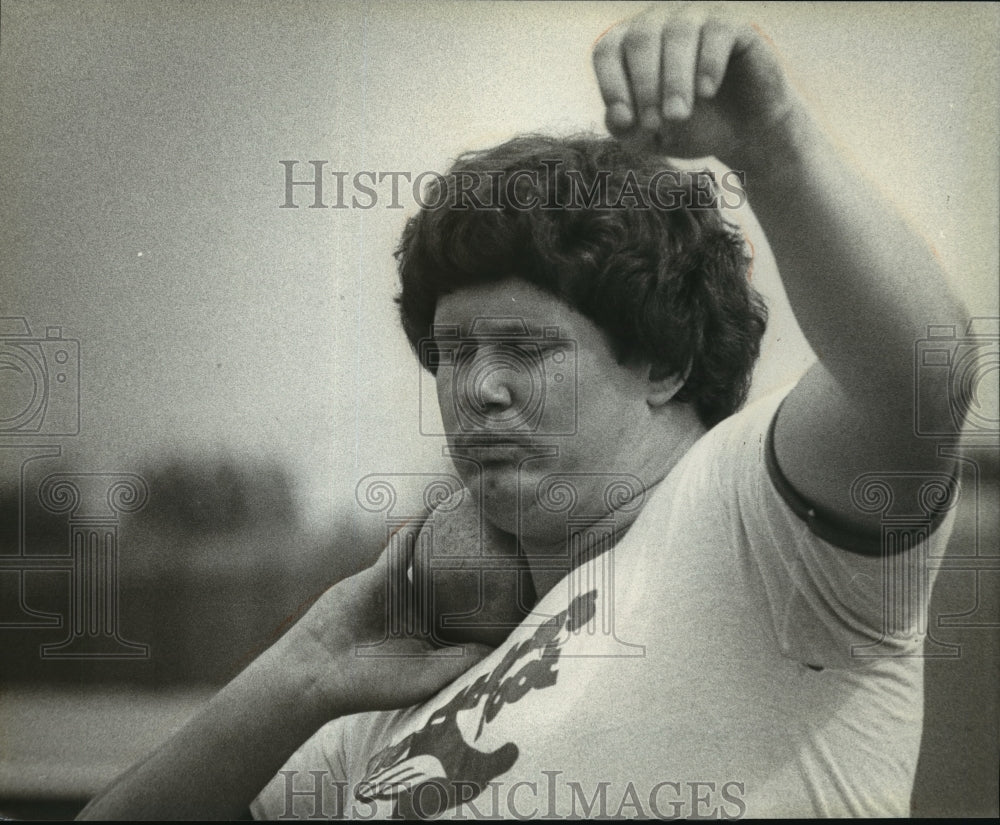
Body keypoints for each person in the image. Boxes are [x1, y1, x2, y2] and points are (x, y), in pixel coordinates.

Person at [78, 3, 967, 819]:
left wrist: (774, 144)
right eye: (455, 352)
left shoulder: (756, 528)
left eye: (527, 350)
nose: (477, 388)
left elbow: (920, 384)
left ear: (664, 364)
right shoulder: (402, 684)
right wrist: (311, 662)